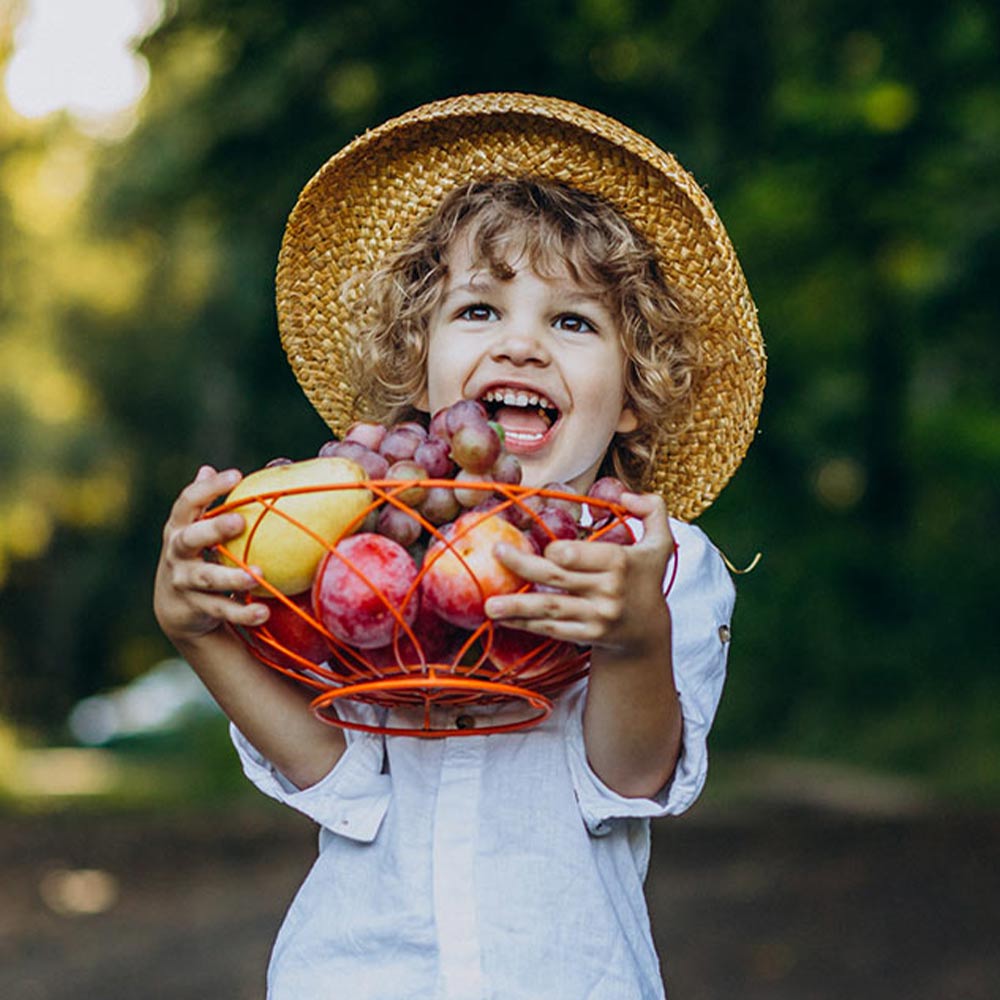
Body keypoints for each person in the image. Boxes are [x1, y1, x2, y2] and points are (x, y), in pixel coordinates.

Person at [153, 93, 765, 999]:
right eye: (479, 311)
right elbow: (337, 774)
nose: (520, 344)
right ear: (419, 363)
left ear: (633, 394)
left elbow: (632, 781)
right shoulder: (358, 541)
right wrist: (200, 634)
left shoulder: (653, 558)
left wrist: (634, 642)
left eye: (572, 322)